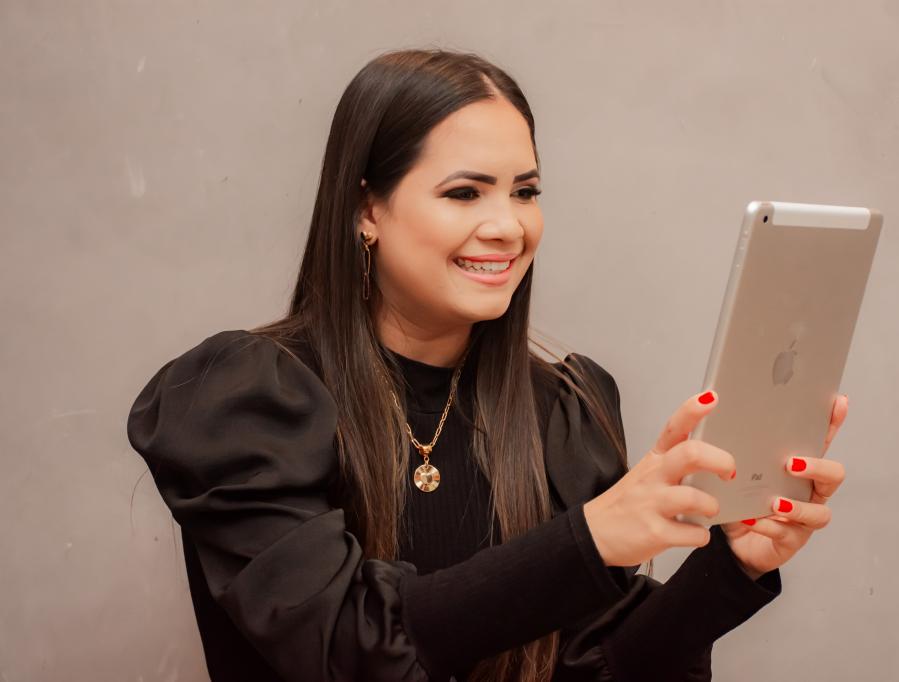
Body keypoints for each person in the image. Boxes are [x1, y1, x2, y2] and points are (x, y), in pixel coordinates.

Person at [126, 48, 848, 682]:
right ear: (366, 209)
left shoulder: (562, 408)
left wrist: (731, 567)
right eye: (464, 192)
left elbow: (594, 669)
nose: (508, 226)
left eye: (525, 191)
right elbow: (345, 649)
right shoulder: (249, 400)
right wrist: (588, 541)